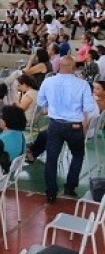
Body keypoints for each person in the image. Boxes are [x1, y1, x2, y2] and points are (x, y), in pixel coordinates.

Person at [38, 56, 96, 203]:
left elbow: (41, 101)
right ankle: (70, 188)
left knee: (51, 158)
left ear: (59, 66)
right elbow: (89, 108)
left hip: (55, 124)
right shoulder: (82, 84)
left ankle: (51, 193)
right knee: (77, 154)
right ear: (74, 66)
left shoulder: (48, 81)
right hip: (74, 125)